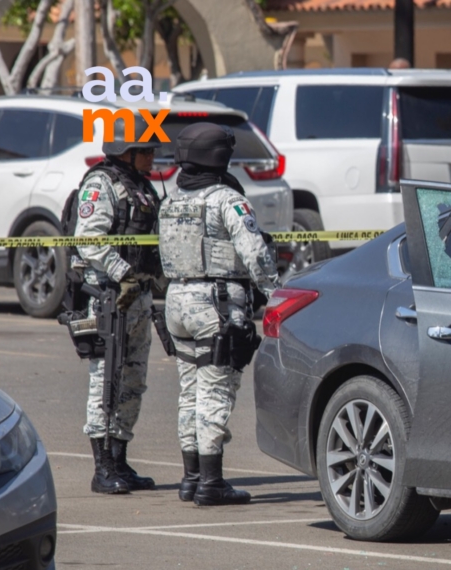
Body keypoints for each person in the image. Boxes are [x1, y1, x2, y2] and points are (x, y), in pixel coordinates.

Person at [159, 123, 280, 506]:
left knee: (190, 392)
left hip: (177, 302)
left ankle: (191, 478)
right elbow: (255, 254)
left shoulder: (171, 201)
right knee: (214, 391)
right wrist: (276, 294)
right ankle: (211, 483)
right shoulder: (227, 199)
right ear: (219, 156)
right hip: (217, 304)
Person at [74, 119, 163, 494]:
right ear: (127, 152)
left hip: (138, 297)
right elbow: (88, 240)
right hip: (109, 296)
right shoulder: (101, 185)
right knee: (105, 380)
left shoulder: (142, 186)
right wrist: (122, 272)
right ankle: (102, 467)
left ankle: (120, 458)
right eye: (147, 150)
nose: (153, 156)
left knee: (133, 381)